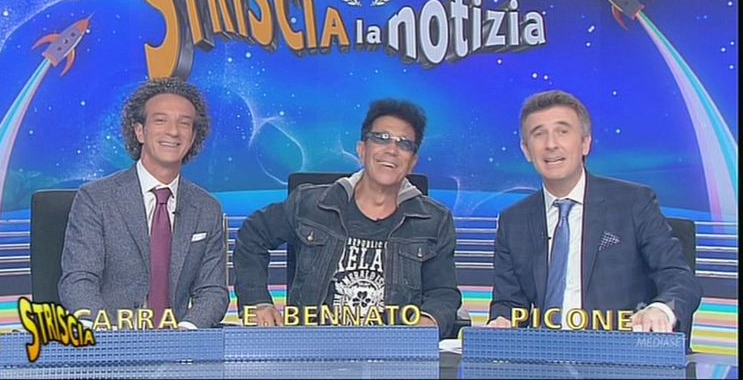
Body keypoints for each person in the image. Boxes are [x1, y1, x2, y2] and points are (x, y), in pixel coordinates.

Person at [233, 99, 462, 338]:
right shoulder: (310, 204)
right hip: (312, 347)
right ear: (362, 150)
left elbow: (443, 293)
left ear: (412, 162)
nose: (392, 150)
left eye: (404, 143)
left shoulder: (434, 220)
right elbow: (252, 237)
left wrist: (429, 319)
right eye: (382, 138)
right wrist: (257, 302)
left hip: (392, 350)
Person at [488, 90, 701, 335]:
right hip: (544, 353)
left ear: (585, 143)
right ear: (526, 150)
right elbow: (509, 303)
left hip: (619, 349)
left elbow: (679, 278)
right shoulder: (513, 221)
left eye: (562, 131)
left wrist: (660, 310)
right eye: (539, 134)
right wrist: (502, 321)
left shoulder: (633, 203)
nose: (551, 144)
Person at [59, 77, 229, 329]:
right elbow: (78, 281)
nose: (173, 131)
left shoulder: (207, 208)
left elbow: (213, 292)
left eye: (184, 123)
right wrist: (111, 336)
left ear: (193, 137)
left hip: (179, 344)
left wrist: (186, 334)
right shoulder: (96, 199)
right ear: (139, 131)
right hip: (111, 340)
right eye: (160, 121)